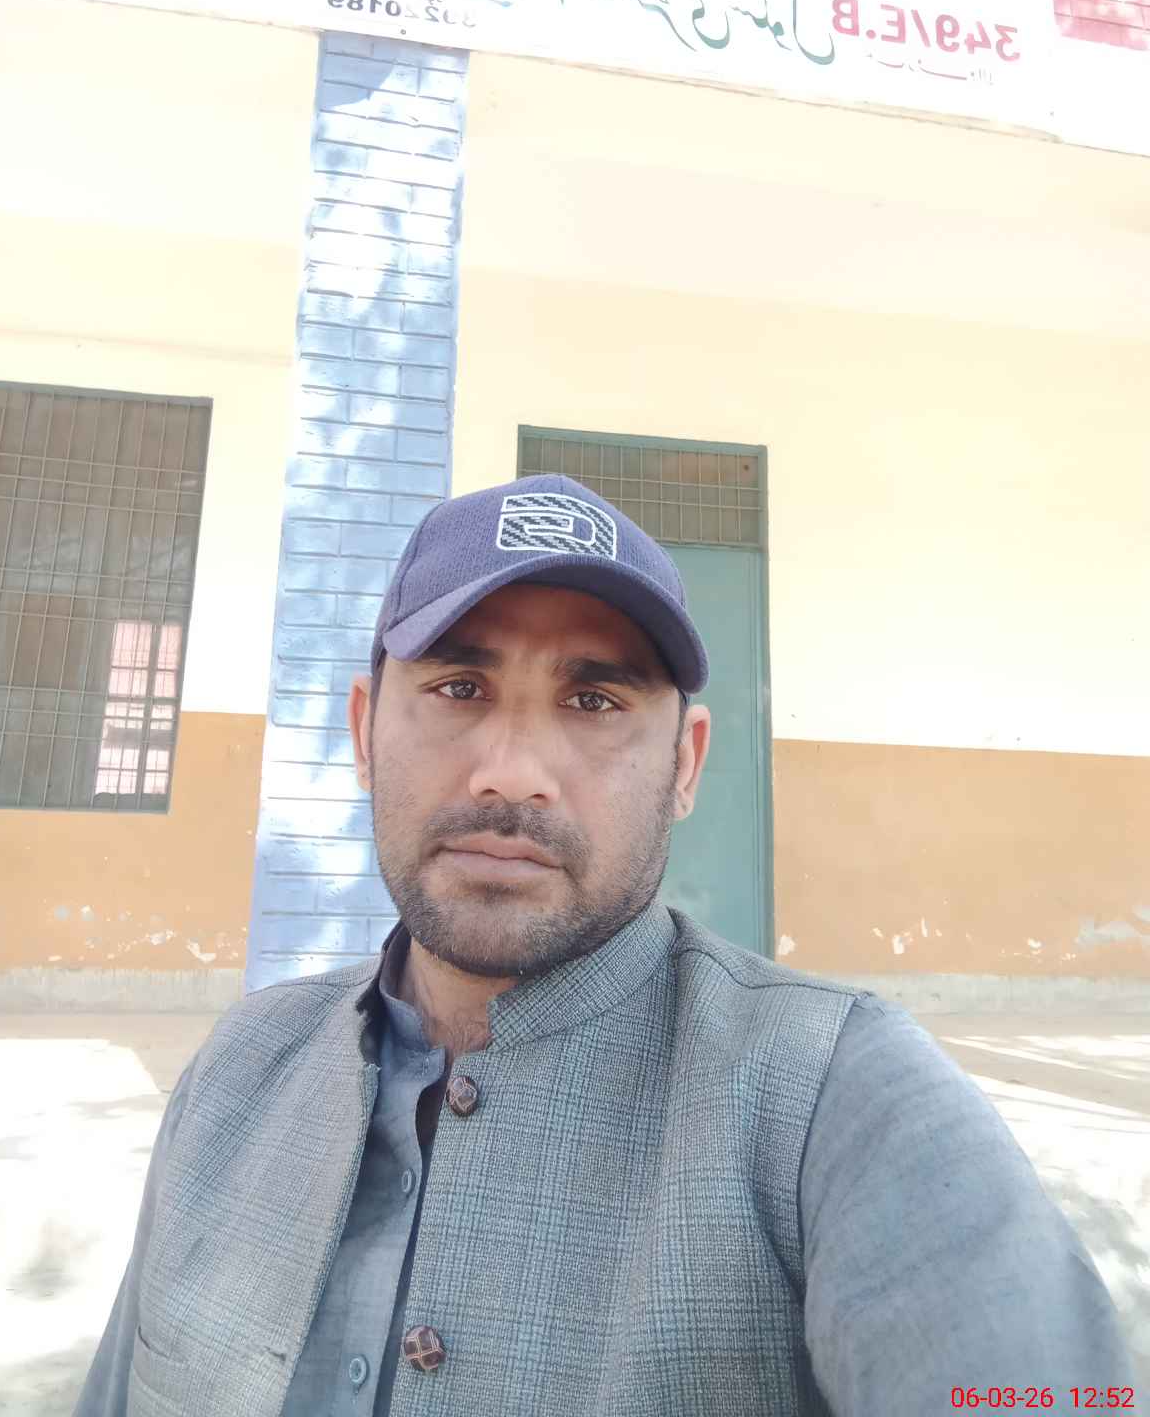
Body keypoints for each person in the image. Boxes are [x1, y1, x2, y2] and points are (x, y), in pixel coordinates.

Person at [75, 474, 1134, 1417]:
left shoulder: (843, 1101)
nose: (511, 771)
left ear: (685, 766)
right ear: (363, 731)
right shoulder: (237, 1075)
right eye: (458, 688)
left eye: (593, 700)